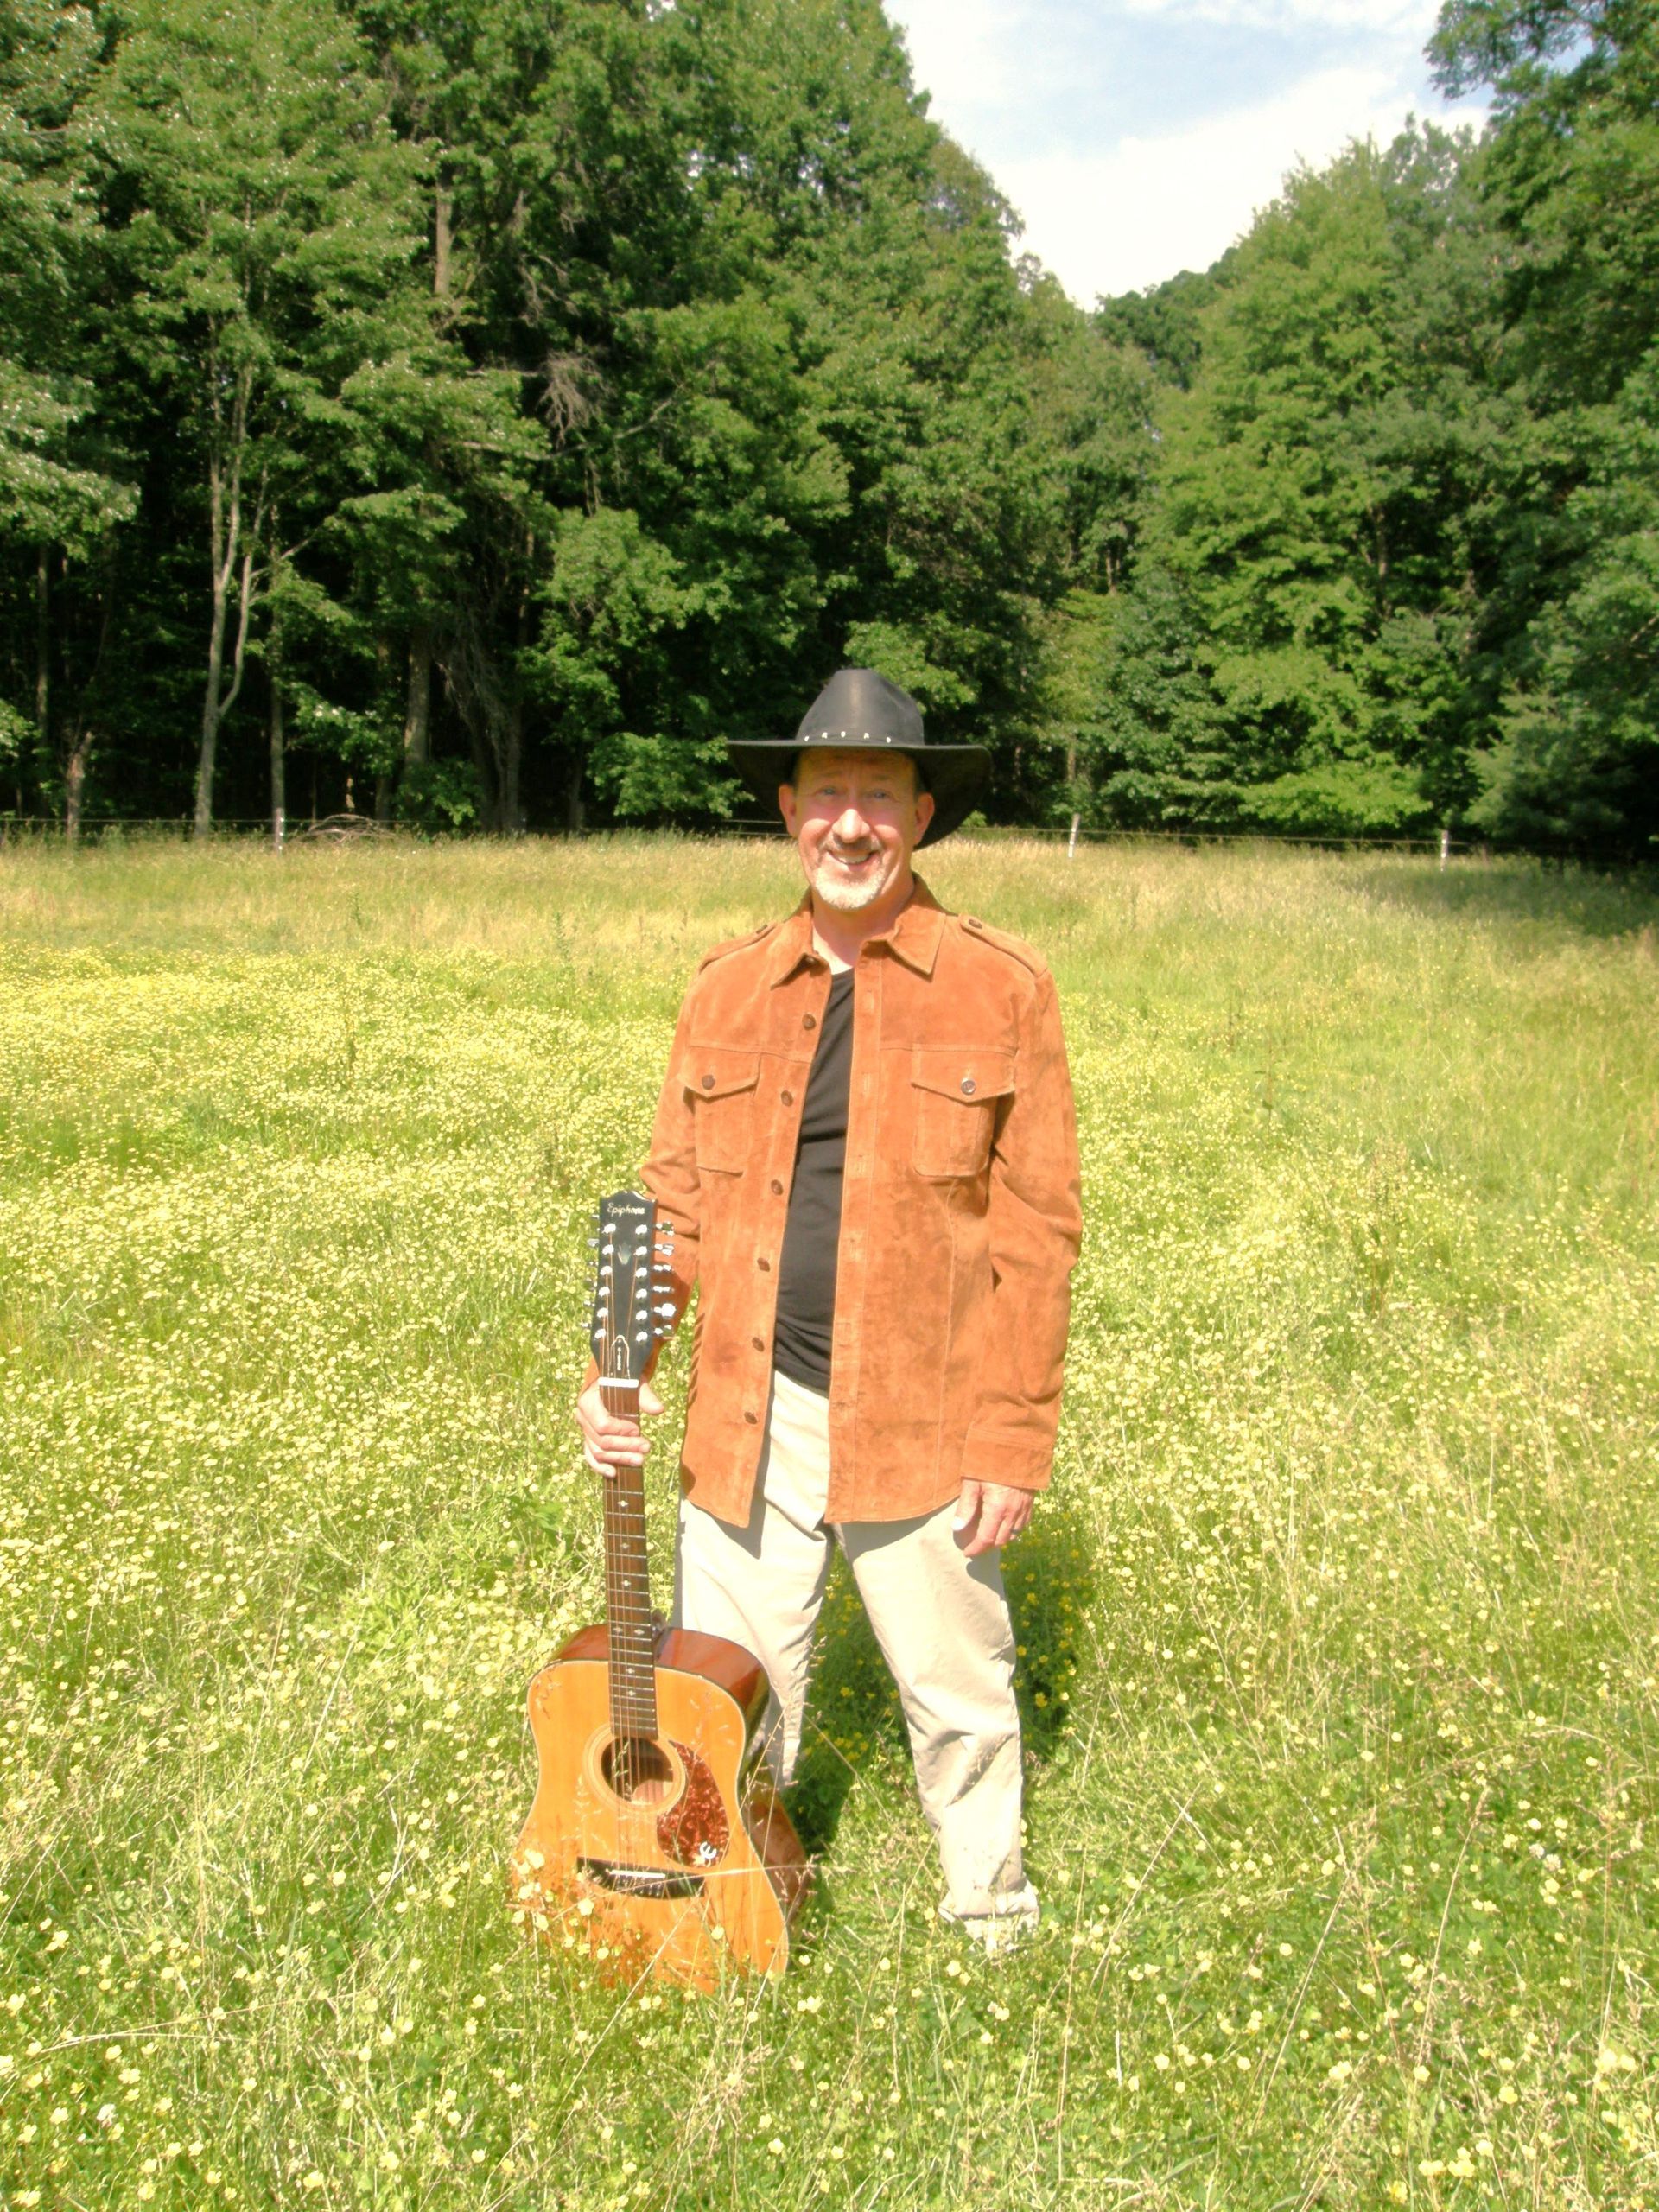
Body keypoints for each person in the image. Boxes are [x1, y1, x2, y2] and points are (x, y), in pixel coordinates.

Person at [575, 667, 1082, 1950]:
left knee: (959, 1694)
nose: (850, 825)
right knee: (724, 1697)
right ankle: (719, 1913)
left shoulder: (1005, 988)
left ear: (921, 816)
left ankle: (992, 1912)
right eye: (827, 795)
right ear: (789, 810)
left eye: (881, 796)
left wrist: (1011, 1440)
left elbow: (1038, 1236)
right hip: (752, 1409)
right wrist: (617, 1369)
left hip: (927, 1417)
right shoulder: (724, 988)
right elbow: (672, 1204)